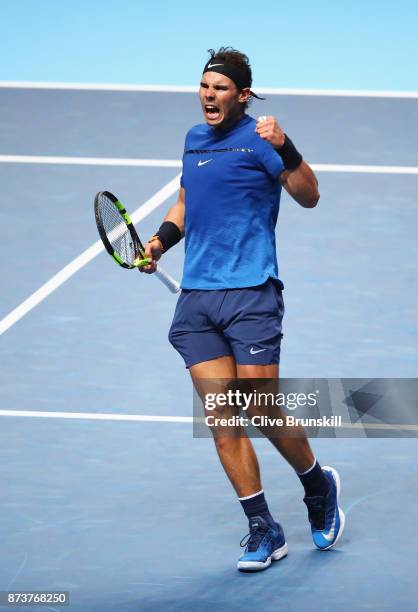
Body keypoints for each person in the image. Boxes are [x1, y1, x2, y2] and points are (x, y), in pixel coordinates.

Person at [140, 47, 345, 571]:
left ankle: (317, 484)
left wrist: (288, 147)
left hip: (252, 291)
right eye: (204, 86)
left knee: (260, 408)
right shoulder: (192, 141)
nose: (209, 95)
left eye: (220, 88)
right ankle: (263, 527)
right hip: (198, 299)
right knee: (222, 420)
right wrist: (162, 241)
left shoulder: (260, 140)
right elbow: (187, 201)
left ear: (242, 95)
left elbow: (310, 195)